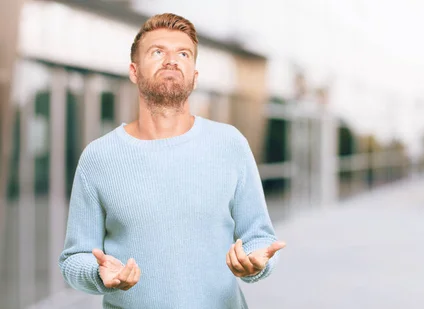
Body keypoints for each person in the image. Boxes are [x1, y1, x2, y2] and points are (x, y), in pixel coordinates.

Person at [58, 13, 285, 309]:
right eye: (157, 52)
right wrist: (97, 274)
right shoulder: (99, 157)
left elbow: (259, 237)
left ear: (194, 74)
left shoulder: (230, 145)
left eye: (183, 53)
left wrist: (256, 263)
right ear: (133, 71)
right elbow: (74, 259)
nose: (171, 60)